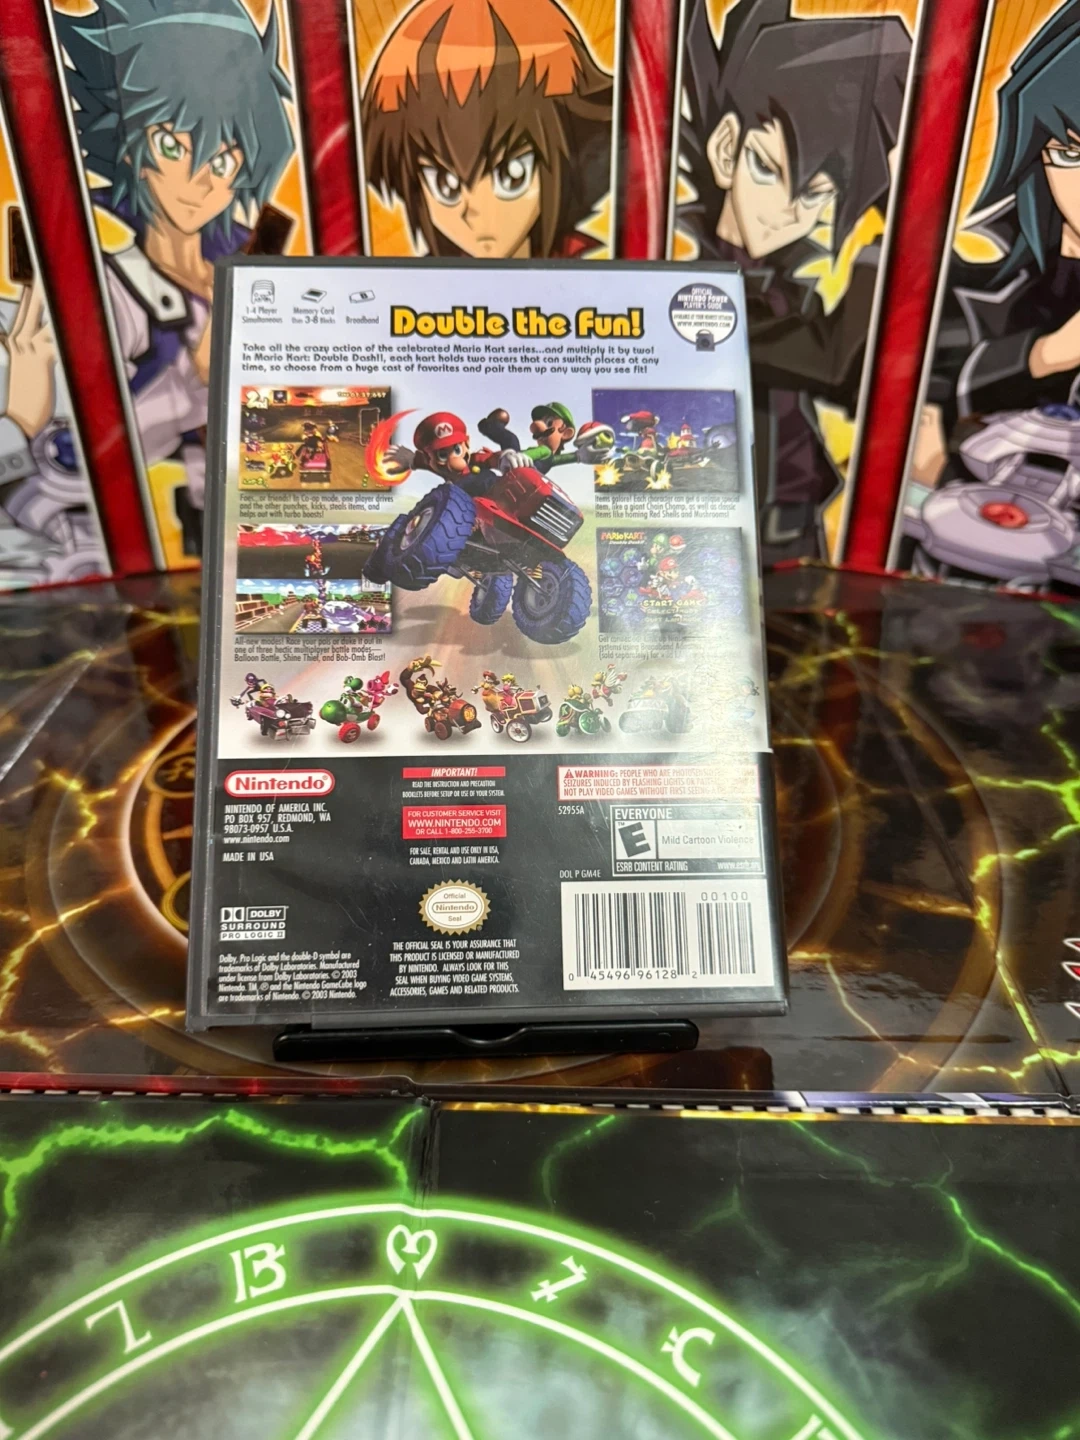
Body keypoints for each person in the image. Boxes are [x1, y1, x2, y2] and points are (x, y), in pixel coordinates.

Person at [53, 0, 295, 556]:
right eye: (171, 146)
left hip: (258, 531)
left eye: (223, 160)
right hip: (144, 550)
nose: (198, 181)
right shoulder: (104, 275)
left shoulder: (255, 257)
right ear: (128, 143)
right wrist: (197, 381)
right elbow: (78, 454)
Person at [677, 0, 911, 562]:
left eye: (816, 195)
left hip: (793, 531)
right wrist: (890, 248)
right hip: (725, 535)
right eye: (767, 169)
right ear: (727, 149)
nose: (786, 211)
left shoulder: (779, 289)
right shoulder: (699, 292)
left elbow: (849, 376)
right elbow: (829, 361)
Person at [362, 0, 613, 258]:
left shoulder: (588, 269)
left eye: (512, 175)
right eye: (445, 185)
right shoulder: (418, 278)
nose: (478, 214)